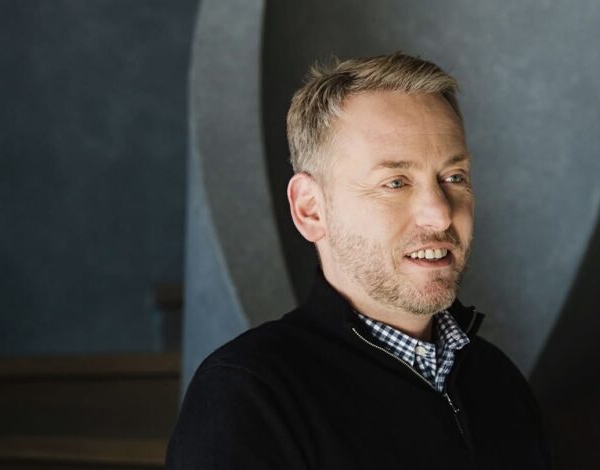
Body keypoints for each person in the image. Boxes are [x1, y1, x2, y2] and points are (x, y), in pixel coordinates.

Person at [166, 52, 550, 469]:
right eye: (395, 182)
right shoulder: (249, 395)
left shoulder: (498, 380)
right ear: (311, 210)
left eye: (454, 177)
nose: (440, 213)